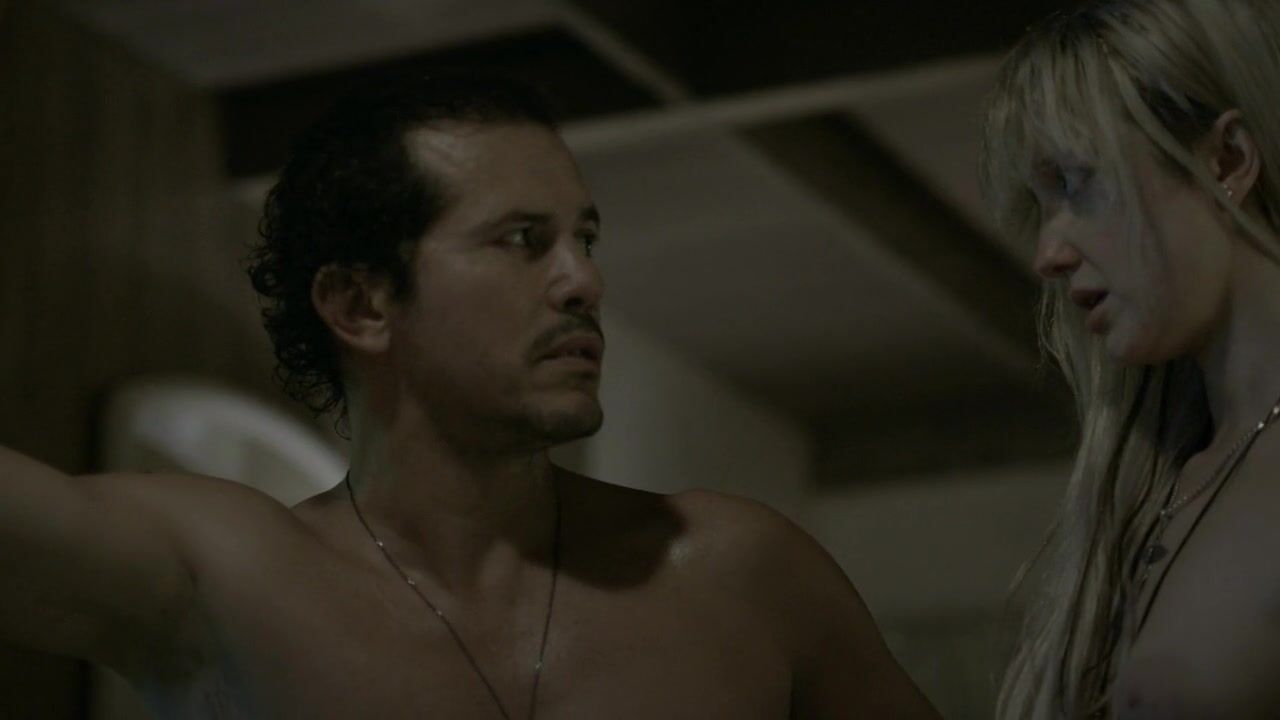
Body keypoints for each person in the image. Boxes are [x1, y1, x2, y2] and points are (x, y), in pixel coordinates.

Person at [0, 74, 937, 718]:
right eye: (523, 240)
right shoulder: (231, 576)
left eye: (584, 239)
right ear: (363, 305)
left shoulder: (740, 575)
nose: (584, 281)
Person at [980, 1, 1280, 717]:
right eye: (1042, 203)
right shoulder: (1149, 488)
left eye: (1076, 183)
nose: (1048, 253)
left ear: (1227, 162)